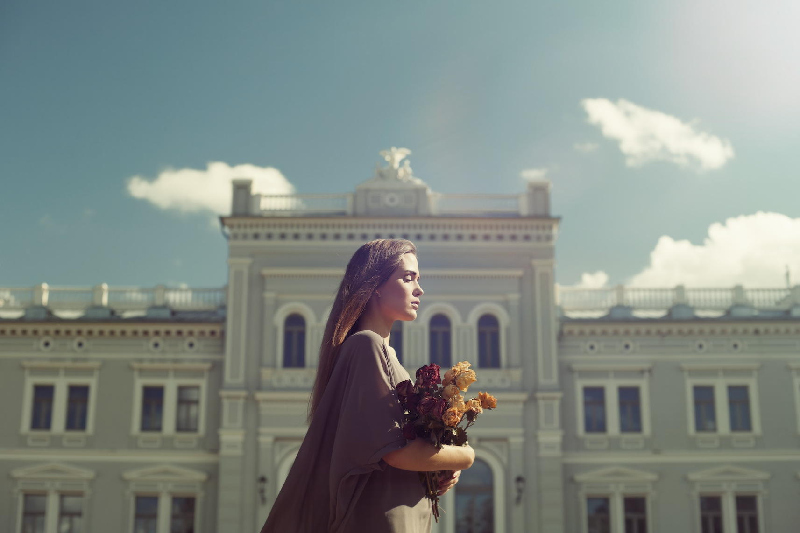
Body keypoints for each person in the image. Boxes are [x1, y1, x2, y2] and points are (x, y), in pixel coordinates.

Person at [260, 239, 475, 533]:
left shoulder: (386, 356)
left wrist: (438, 468)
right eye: (407, 278)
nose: (419, 289)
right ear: (375, 284)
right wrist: (466, 456)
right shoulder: (367, 346)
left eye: (418, 279)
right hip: (382, 521)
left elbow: (392, 456)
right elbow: (395, 453)